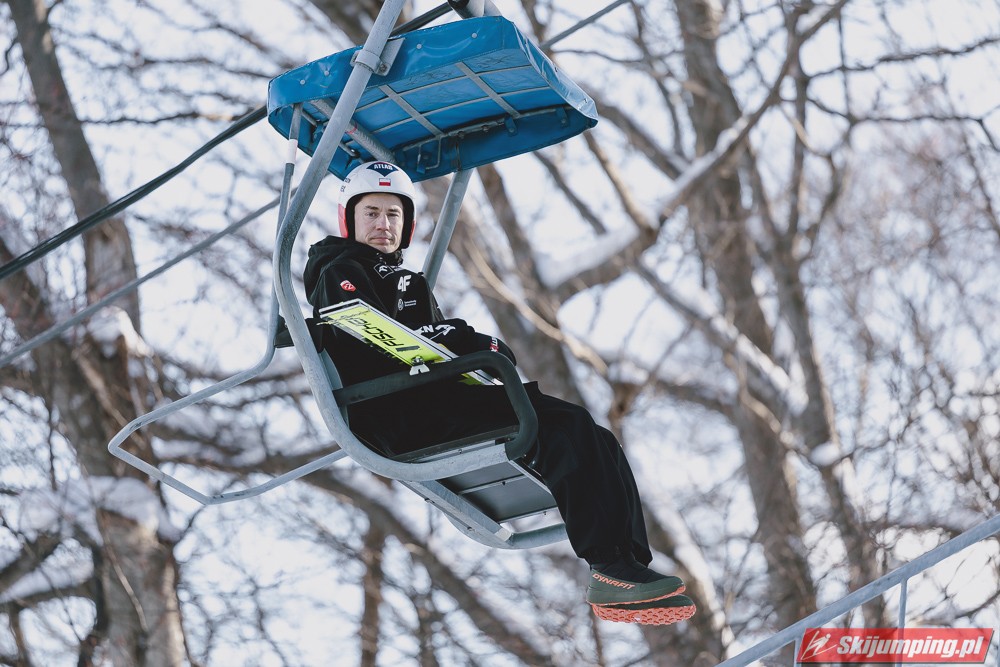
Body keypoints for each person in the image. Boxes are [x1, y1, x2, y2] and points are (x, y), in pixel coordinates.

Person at [303, 161, 696, 626]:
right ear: (349, 219)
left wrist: (467, 345)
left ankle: (628, 564)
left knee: (598, 437)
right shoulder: (340, 269)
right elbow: (373, 333)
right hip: (399, 411)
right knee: (563, 428)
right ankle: (609, 566)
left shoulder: (405, 280)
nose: (383, 224)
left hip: (429, 397)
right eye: (371, 213)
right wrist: (463, 340)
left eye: (393, 214)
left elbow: (431, 342)